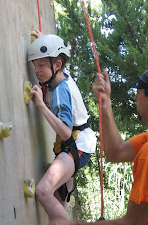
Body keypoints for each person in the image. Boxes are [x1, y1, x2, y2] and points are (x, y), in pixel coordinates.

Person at [49, 67, 148, 225]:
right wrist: (105, 102)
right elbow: (116, 152)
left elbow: (132, 222)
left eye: (138, 92)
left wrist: (75, 224)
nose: (135, 98)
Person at [28, 31, 97, 221]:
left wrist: (41, 105)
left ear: (56, 65)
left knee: (43, 191)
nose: (36, 71)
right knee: (59, 206)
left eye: (41, 65)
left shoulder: (61, 90)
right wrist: (46, 43)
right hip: (73, 145)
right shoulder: (61, 75)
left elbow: (66, 132)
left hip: (77, 145)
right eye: (35, 65)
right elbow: (57, 62)